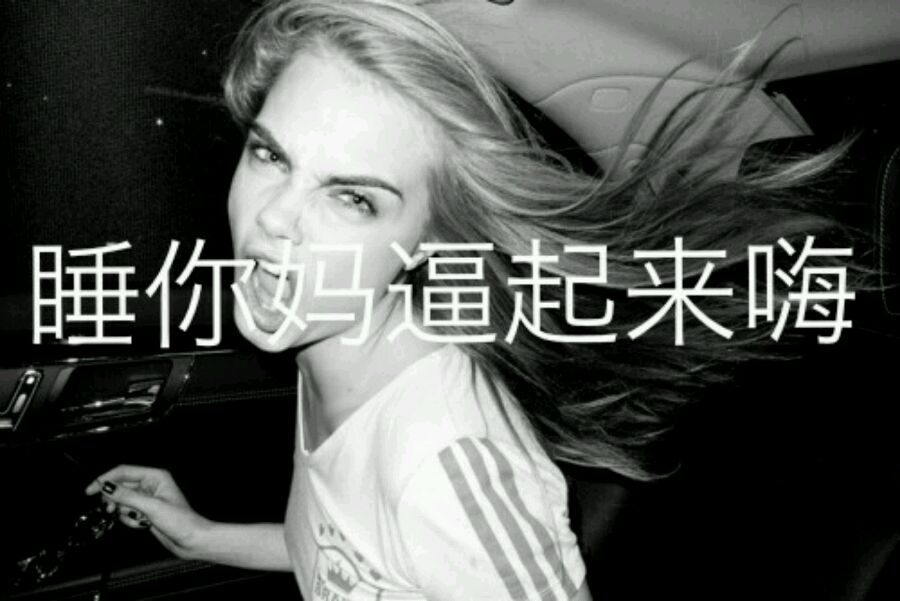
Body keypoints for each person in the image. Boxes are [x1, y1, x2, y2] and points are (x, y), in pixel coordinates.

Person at [85, 1, 863, 599]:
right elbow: (344, 548)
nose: (274, 221)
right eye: (271, 155)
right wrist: (205, 536)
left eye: (353, 198)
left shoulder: (447, 459)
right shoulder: (328, 336)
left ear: (430, 240)